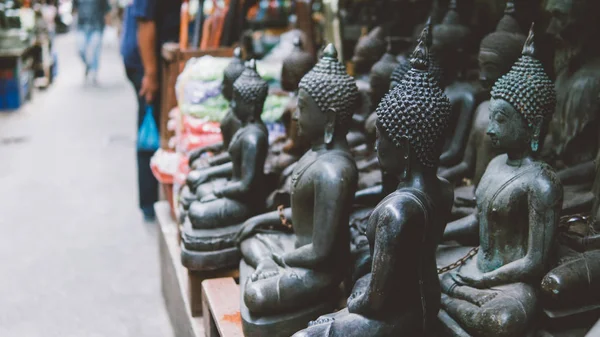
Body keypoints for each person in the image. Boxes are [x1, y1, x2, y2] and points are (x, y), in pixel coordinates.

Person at [121, 0, 181, 220]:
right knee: (151, 124)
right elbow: (145, 22)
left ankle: (153, 197)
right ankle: (150, 201)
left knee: (154, 123)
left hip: (147, 60)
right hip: (145, 63)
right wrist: (151, 74)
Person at [72, 0, 111, 83]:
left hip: (97, 27)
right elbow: (74, 9)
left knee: (95, 51)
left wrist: (108, 29)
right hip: (81, 27)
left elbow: (107, 11)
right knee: (80, 49)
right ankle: (88, 65)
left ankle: (94, 72)